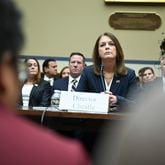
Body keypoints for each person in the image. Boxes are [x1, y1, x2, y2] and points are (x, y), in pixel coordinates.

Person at [0, 1, 90, 164]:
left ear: (84, 66)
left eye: (79, 63)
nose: (75, 65)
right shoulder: (66, 156)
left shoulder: (88, 82)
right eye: (72, 62)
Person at [77, 32, 137, 109]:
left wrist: (117, 99)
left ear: (117, 50)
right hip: (93, 119)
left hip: (119, 120)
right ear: (98, 52)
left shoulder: (129, 74)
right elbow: (77, 99)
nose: (107, 47)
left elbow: (136, 104)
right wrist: (97, 99)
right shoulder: (87, 72)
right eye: (102, 45)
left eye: (111, 44)